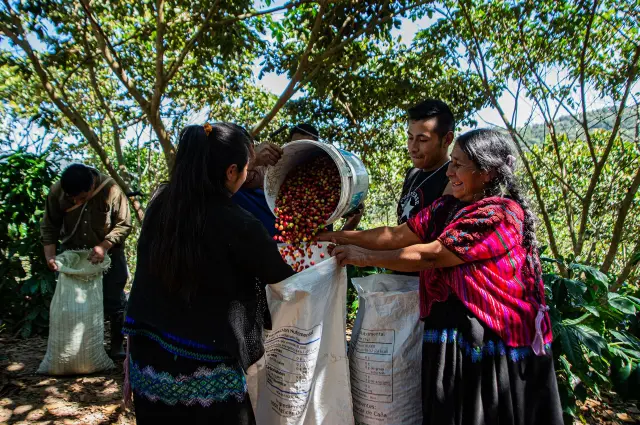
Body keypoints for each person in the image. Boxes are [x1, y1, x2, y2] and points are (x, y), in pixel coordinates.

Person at [319, 129, 563, 425]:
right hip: (452, 329)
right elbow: (397, 235)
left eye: (458, 164)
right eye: (452, 163)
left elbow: (431, 254)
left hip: (488, 337)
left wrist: (363, 257)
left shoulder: (500, 214)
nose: (449, 172)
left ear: (486, 172)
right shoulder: (447, 208)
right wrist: (332, 235)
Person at [122, 123, 294, 424]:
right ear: (230, 172)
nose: (248, 174)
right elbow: (280, 275)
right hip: (205, 372)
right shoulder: (240, 223)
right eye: (245, 167)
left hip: (147, 364)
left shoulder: (161, 203)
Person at [40, 163, 132, 358]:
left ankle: (116, 345)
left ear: (92, 186)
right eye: (72, 198)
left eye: (81, 198)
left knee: (114, 300)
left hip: (110, 253)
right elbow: (49, 225)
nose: (75, 200)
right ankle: (78, 349)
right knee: (74, 304)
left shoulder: (111, 190)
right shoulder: (57, 192)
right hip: (74, 253)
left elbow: (124, 224)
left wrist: (104, 246)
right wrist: (50, 256)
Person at [233, 122, 363, 232]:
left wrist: (353, 217)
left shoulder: (323, 199)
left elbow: (327, 244)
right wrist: (251, 160)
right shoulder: (236, 196)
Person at [397, 99, 455, 225]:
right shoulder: (412, 174)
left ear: (447, 140)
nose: (413, 148)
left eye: (422, 140)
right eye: (410, 138)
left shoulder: (452, 179)